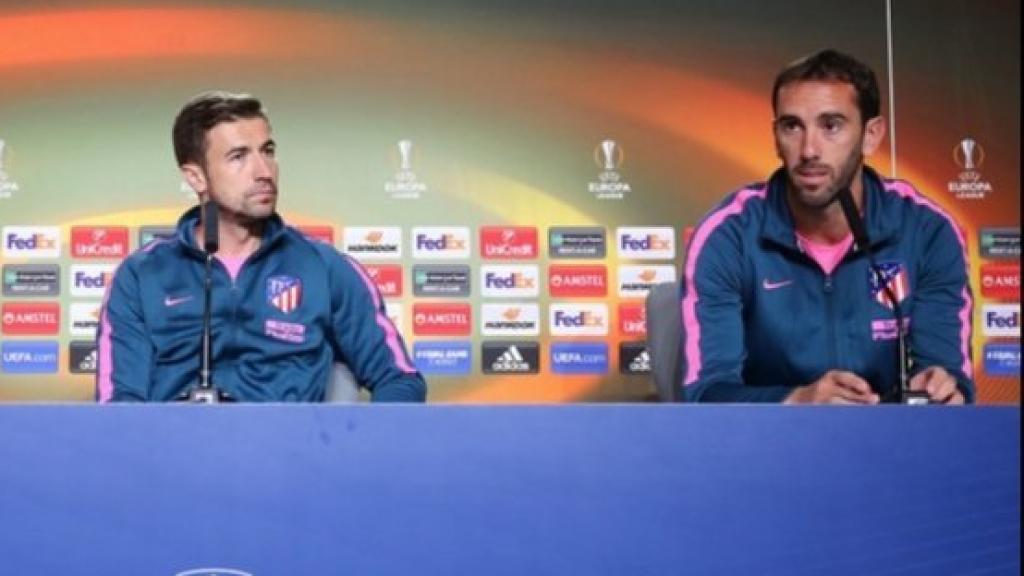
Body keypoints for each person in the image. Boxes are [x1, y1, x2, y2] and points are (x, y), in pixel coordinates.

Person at [680, 49, 973, 404]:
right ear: (775, 137)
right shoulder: (728, 236)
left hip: (891, 447)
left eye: (830, 125)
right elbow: (706, 395)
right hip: (764, 447)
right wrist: (799, 402)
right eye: (792, 126)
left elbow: (950, 379)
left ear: (871, 135)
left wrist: (942, 388)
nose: (808, 150)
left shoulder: (929, 232)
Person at [97, 91, 426, 402]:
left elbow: (399, 380)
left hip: (294, 455)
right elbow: (119, 404)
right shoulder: (142, 275)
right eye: (238, 156)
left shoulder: (324, 267)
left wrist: (348, 452)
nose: (264, 171)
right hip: (176, 455)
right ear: (196, 177)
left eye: (267, 151)